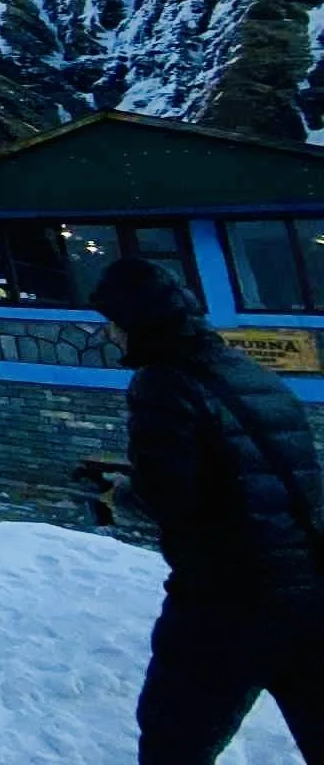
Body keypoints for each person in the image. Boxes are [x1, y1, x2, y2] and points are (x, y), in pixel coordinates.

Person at [89, 257, 324, 763]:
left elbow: (169, 495)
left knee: (175, 741)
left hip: (225, 600)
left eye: (112, 322)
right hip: (308, 591)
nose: (109, 334)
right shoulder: (253, 375)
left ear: (135, 322)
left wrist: (119, 493)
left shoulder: (163, 382)